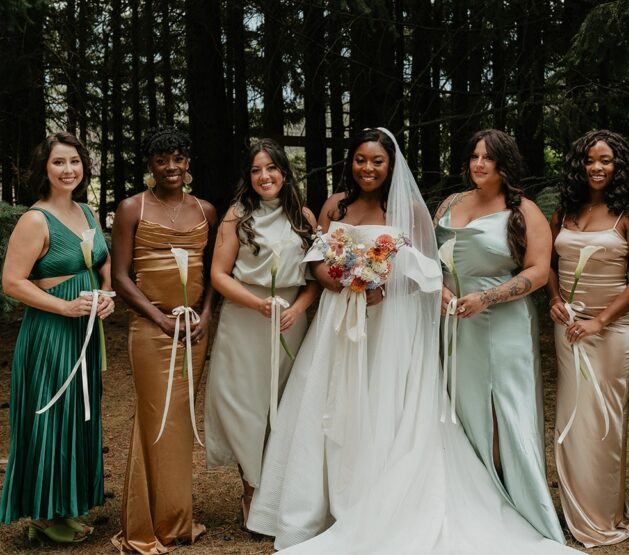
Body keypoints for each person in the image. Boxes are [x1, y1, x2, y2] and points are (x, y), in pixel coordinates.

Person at [247, 128, 577, 554]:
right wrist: (345, 282)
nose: (367, 168)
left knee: (381, 405)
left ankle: (378, 497)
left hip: (389, 322)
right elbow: (317, 263)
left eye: (377, 161)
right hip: (337, 319)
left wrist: (379, 287)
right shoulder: (335, 205)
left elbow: (425, 270)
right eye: (360, 160)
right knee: (329, 404)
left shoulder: (411, 210)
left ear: (391, 166)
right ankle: (320, 505)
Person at [432, 128, 564, 543]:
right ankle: (471, 497)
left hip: (504, 322)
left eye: (488, 157)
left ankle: (511, 499)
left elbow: (538, 272)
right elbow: (430, 257)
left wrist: (488, 297)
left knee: (501, 408)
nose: (478, 164)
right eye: (473, 156)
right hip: (454, 320)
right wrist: (439, 289)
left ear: (505, 163)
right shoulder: (450, 204)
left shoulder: (523, 211)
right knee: (461, 405)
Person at [0, 132, 114, 544]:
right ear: (44, 169)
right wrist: (64, 307)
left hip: (85, 328)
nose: (69, 170)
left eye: (75, 162)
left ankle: (64, 505)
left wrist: (107, 295)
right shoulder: (35, 219)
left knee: (77, 416)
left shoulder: (86, 211)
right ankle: (42, 515)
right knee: (50, 417)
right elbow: (12, 282)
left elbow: (103, 261)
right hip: (50, 333)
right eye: (59, 163)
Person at [110, 127, 218, 553]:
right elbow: (120, 276)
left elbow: (212, 273)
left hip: (193, 330)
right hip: (151, 329)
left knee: (180, 423)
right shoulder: (130, 208)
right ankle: (144, 523)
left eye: (178, 158)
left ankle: (176, 521)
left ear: (187, 162)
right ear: (150, 166)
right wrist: (157, 317)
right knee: (155, 419)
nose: (171, 167)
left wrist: (206, 315)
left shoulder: (206, 210)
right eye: (161, 160)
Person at [205, 139, 319, 524]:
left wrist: (298, 308)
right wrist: (256, 304)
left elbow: (314, 278)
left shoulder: (303, 216)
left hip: (290, 319)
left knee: (284, 403)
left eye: (271, 168)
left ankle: (279, 489)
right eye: (256, 170)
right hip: (245, 316)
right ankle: (251, 488)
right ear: (248, 176)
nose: (264, 176)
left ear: (284, 173)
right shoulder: (237, 216)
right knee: (244, 403)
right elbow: (218, 275)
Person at [547, 129, 629, 547]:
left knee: (604, 420)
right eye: (590, 160)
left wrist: (600, 321)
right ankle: (575, 514)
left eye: (606, 161)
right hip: (568, 326)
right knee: (572, 420)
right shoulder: (564, 211)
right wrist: (553, 299)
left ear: (618, 166)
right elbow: (548, 262)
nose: (596, 167)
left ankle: (603, 517)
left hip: (613, 329)